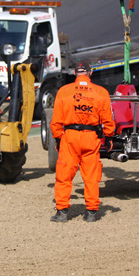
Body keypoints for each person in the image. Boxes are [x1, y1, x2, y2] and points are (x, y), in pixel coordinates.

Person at [50, 60, 115, 222]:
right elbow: (108, 121)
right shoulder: (101, 93)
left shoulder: (64, 91)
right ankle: (91, 213)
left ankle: (62, 212)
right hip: (91, 137)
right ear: (90, 72)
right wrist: (108, 135)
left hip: (70, 137)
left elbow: (56, 120)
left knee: (64, 175)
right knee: (91, 176)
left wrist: (58, 138)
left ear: (74, 73)